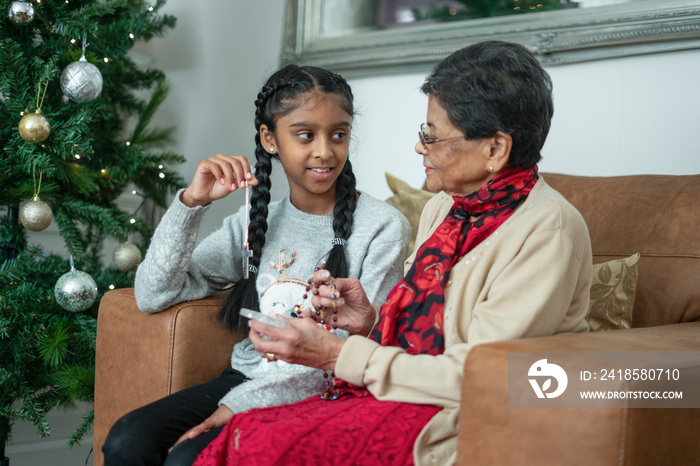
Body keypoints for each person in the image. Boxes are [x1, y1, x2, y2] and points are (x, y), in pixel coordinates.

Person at [192, 40, 593, 466]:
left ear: (495, 149)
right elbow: (430, 333)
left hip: (460, 416)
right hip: (404, 392)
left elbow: (482, 377)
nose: (420, 148)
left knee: (251, 445)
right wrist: (370, 321)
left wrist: (338, 354)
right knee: (244, 436)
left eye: (432, 136)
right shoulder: (447, 208)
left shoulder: (548, 231)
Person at [101, 64, 410, 466]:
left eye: (338, 134)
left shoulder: (382, 226)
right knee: (127, 439)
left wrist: (238, 406)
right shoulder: (253, 223)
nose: (325, 151)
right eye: (305, 135)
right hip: (247, 377)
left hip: (323, 385)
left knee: (188, 459)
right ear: (270, 139)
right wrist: (191, 205)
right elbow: (153, 294)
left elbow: (366, 343)